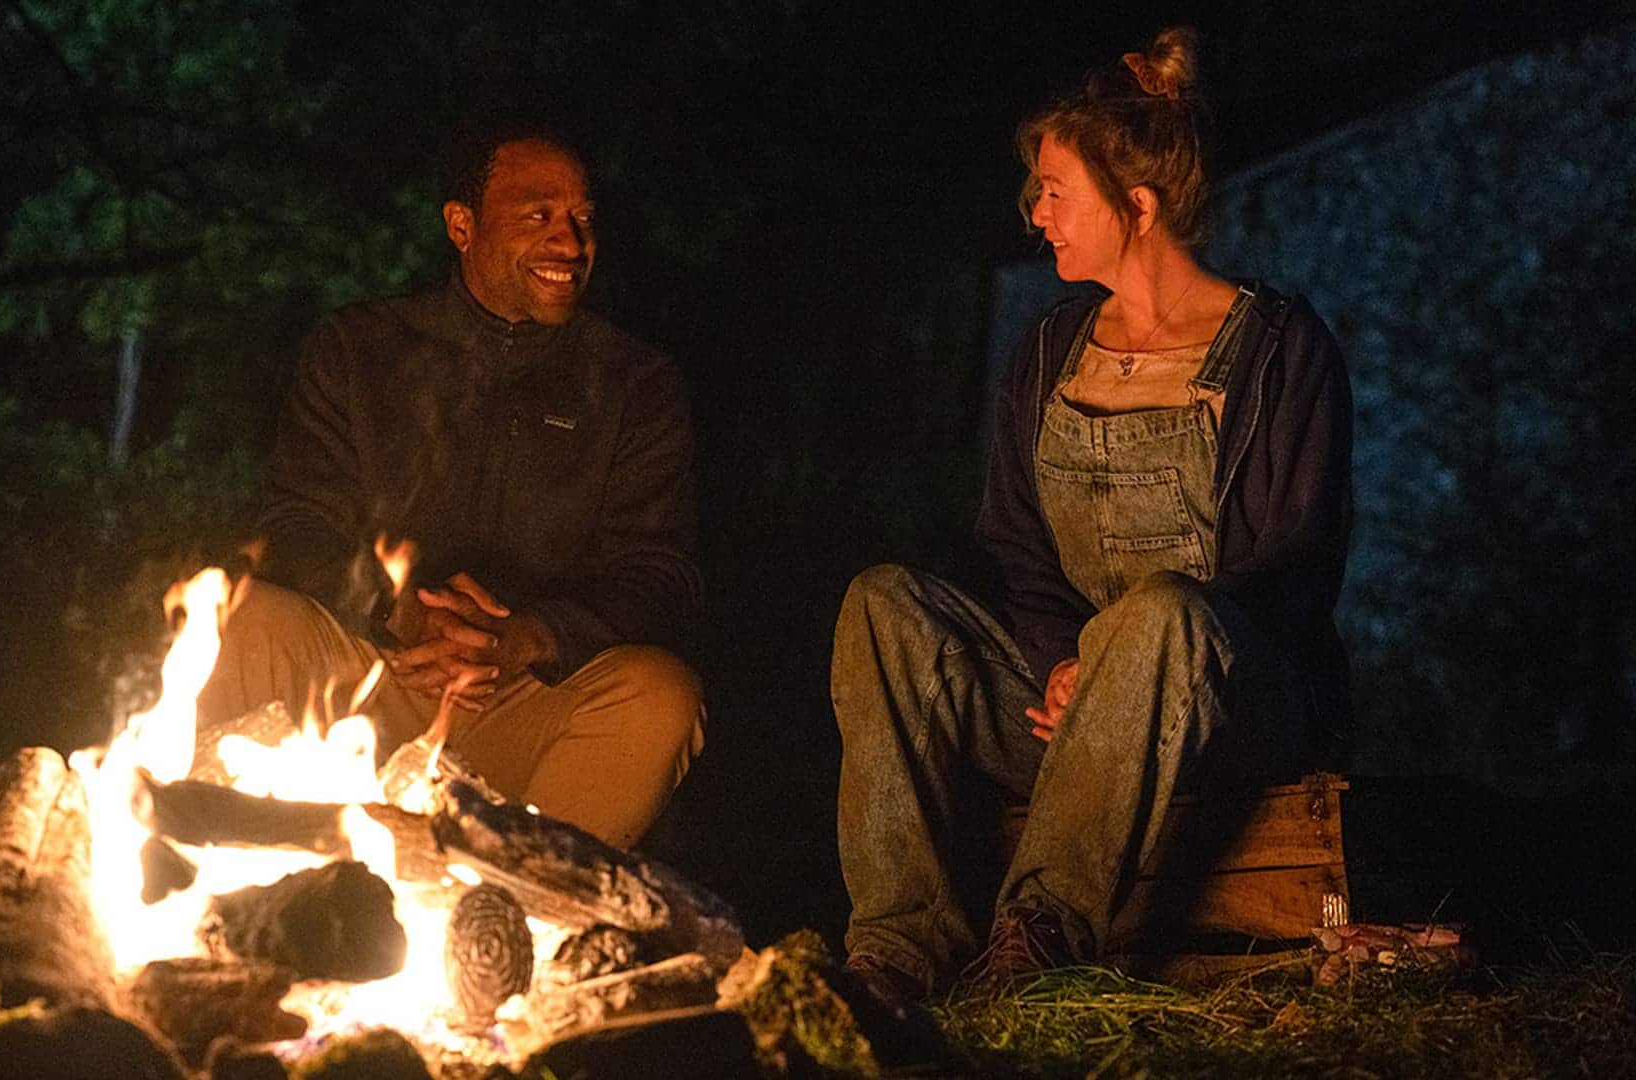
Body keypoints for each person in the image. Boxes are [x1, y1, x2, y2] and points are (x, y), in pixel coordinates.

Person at [832, 27, 1352, 1000]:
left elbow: (1296, 564)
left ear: (1137, 206)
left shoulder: (1281, 350)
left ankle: (1040, 934)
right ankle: (900, 948)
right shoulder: (1048, 354)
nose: (1037, 216)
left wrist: (1124, 660)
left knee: (1162, 609)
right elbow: (1017, 552)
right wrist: (1064, 662)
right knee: (883, 605)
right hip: (1067, 703)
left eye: (1056, 193)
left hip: (1233, 708)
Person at [196, 113, 705, 851]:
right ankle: (247, 875)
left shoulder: (634, 382)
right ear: (461, 225)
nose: (571, 243)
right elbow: (296, 527)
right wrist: (399, 611)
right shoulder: (359, 349)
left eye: (583, 220)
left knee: (661, 697)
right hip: (373, 672)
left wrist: (530, 635)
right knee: (237, 615)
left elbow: (663, 576)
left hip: (527, 695)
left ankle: (524, 913)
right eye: (540, 216)